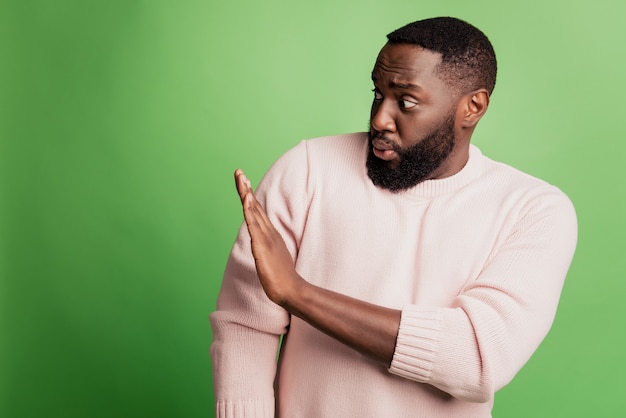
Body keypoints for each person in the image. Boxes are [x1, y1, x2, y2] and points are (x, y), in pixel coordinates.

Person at [210, 16, 577, 418]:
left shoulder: (533, 209)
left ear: (472, 107)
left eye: (406, 101)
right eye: (377, 93)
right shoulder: (307, 171)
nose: (380, 120)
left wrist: (298, 294)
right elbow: (245, 326)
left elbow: (478, 358)